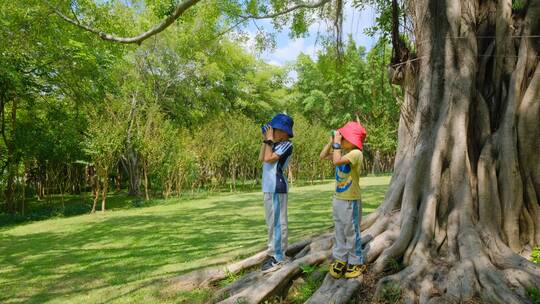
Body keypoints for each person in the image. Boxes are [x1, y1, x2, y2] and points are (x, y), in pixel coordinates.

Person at [319, 121, 367, 279]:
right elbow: (323, 156)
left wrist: (337, 145)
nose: (341, 139)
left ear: (352, 140)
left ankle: (356, 261)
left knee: (351, 231)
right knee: (339, 230)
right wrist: (331, 142)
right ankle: (341, 258)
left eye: (343, 137)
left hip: (350, 201)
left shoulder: (356, 153)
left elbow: (336, 161)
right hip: (338, 199)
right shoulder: (343, 152)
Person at [259, 113, 294, 272]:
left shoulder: (287, 145)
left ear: (285, 132)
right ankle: (273, 252)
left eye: (276, 129)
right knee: (271, 223)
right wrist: (266, 139)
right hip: (268, 187)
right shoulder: (272, 144)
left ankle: (279, 257)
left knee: (278, 223)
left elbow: (268, 158)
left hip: (277, 187)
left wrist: (269, 140)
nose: (273, 131)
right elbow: (262, 157)